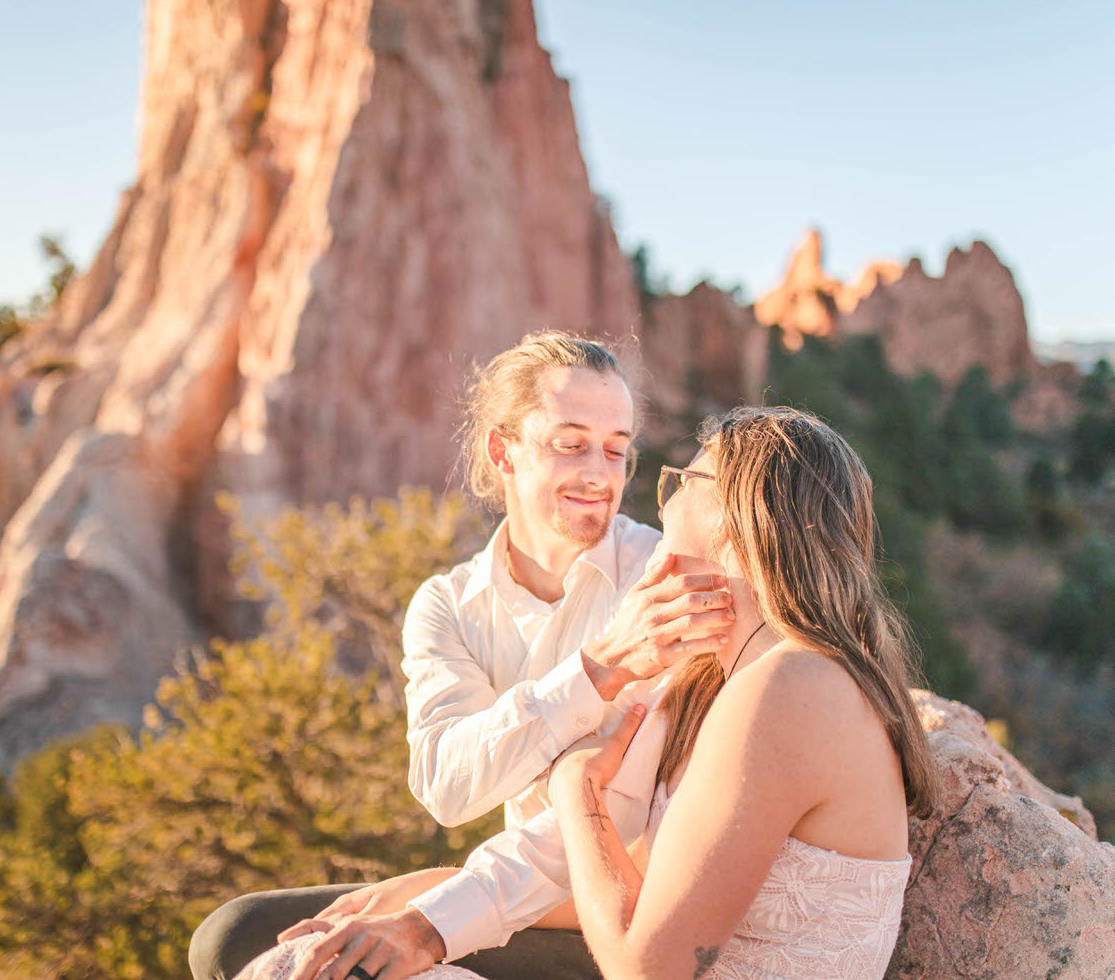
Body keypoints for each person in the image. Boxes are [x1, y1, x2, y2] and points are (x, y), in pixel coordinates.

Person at [235, 406, 940, 980]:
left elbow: (648, 966)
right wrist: (432, 894)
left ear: (734, 517)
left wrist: (578, 792)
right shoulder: (715, 676)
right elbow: (642, 885)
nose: (659, 503)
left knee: (303, 973)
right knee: (298, 957)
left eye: (683, 482)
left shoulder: (793, 686)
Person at [190, 332, 736, 980]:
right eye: (571, 444)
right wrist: (595, 672)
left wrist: (431, 914)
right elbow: (449, 787)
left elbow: (612, 812)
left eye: (617, 451)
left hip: (632, 917)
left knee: (345, 968)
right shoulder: (447, 605)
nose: (600, 474)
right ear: (502, 450)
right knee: (233, 939)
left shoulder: (659, 578)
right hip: (521, 891)